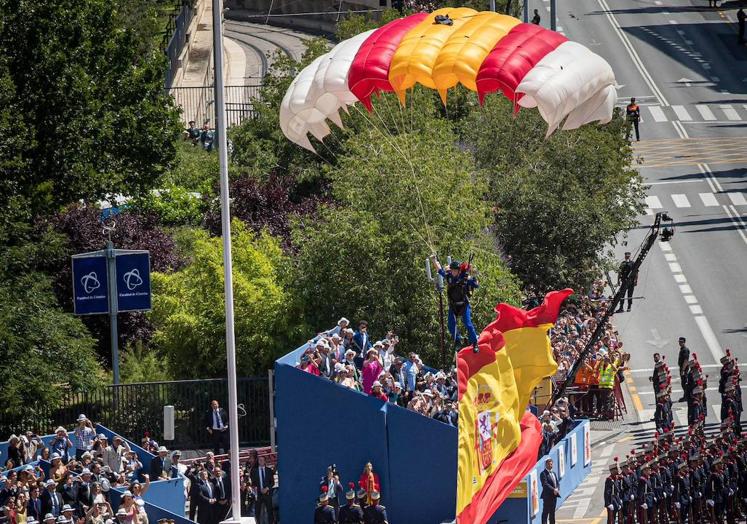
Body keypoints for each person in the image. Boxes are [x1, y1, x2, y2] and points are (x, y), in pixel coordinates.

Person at [430, 255, 479, 352]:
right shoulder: (449, 277)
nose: (453, 272)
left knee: (468, 324)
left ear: (459, 270)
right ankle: (458, 340)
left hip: (464, 305)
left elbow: (476, 285)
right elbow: (439, 270)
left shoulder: (465, 278)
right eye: (452, 270)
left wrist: (473, 276)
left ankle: (474, 343)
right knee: (451, 325)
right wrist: (434, 260)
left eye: (455, 270)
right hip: (453, 306)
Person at [250, 456, 273, 524]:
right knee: (257, 512)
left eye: (262, 460)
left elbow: (272, 483)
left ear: (265, 461)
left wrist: (267, 488)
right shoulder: (254, 471)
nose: (261, 461)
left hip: (267, 494)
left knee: (269, 511)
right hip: (258, 494)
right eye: (260, 460)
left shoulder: (269, 470)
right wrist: (254, 488)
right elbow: (252, 483)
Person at [540, 459, 559, 524]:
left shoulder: (554, 473)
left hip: (554, 496)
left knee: (552, 513)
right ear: (546, 464)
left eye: (551, 464)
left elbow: (557, 482)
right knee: (545, 513)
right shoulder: (543, 474)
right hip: (547, 497)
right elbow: (545, 484)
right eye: (549, 464)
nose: (550, 465)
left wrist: (557, 489)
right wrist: (553, 489)